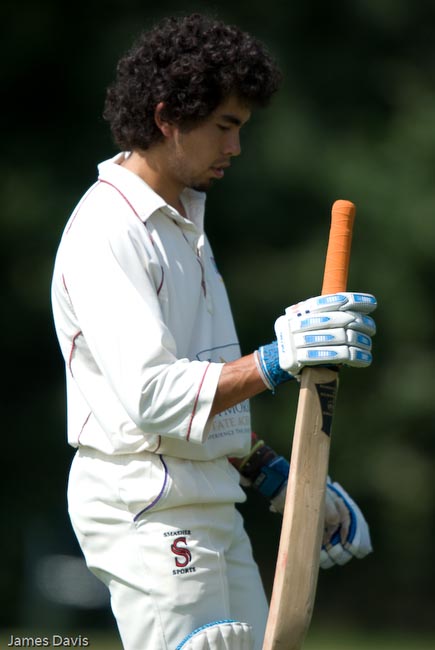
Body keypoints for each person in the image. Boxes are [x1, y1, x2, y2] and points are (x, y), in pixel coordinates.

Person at [51, 13, 377, 650]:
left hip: (211, 504)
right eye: (225, 127)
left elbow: (193, 399)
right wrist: (279, 358)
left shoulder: (183, 223)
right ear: (167, 117)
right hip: (147, 509)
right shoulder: (108, 230)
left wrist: (273, 471)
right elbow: (154, 398)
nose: (235, 147)